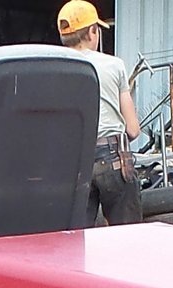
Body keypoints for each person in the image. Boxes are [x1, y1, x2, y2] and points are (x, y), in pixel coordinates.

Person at [57, 1, 141, 225]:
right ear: (92, 31)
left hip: (72, 163)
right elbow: (133, 129)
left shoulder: (53, 68)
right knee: (127, 239)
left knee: (75, 242)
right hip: (112, 158)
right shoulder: (114, 65)